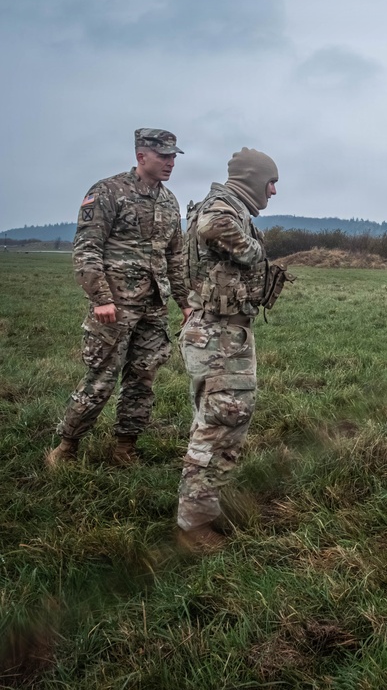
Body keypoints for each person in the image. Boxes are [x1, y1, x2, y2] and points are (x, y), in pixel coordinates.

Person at [46, 129, 189, 468]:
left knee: (143, 377)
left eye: (173, 157)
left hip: (153, 307)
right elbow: (87, 249)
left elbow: (176, 257)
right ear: (141, 156)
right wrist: (100, 298)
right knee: (101, 378)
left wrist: (184, 302)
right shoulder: (108, 191)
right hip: (115, 307)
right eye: (163, 156)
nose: (170, 163)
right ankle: (66, 448)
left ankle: (125, 447)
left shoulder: (169, 201)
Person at [176, 147, 291, 553]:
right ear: (251, 179)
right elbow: (211, 225)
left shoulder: (234, 206)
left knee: (224, 418)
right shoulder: (222, 205)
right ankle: (194, 525)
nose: (274, 190)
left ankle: (204, 507)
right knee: (219, 421)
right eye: (270, 182)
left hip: (228, 331)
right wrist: (253, 250)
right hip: (217, 334)